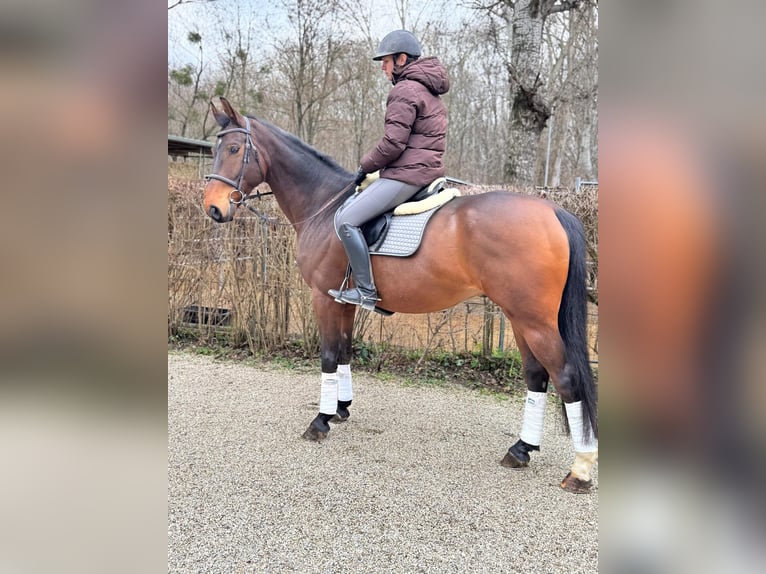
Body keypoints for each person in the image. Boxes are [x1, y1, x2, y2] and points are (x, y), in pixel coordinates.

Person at [329, 29, 450, 310]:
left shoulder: (404, 90)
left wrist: (364, 166)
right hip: (426, 173)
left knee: (346, 220)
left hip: (407, 175)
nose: (382, 68)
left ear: (402, 59)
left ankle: (366, 291)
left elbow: (392, 144)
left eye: (385, 61)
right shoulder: (430, 91)